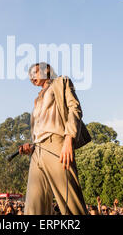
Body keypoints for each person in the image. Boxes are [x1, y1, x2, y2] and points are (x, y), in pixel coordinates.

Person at [19, 62, 90, 215]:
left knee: (71, 205)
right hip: (37, 151)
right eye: (29, 75)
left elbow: (74, 109)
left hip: (57, 145)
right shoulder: (36, 99)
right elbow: (41, 127)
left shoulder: (61, 82)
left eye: (35, 72)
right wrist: (31, 146)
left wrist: (69, 139)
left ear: (46, 71)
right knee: (32, 209)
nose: (31, 77)